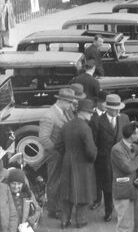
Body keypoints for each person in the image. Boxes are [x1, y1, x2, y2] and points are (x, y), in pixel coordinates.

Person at [57, 98, 97, 229]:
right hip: (83, 165)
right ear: (83, 112)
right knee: (83, 194)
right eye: (90, 112)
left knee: (67, 194)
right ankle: (81, 221)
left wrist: (67, 155)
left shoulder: (66, 126)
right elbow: (91, 151)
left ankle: (64, 220)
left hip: (67, 163)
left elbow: (58, 146)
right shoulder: (85, 128)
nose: (91, 115)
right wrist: (92, 157)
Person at [39, 87, 77, 219]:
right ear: (62, 101)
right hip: (55, 155)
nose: (71, 105)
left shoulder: (64, 112)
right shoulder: (49, 116)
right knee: (54, 181)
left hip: (63, 154)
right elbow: (43, 138)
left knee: (61, 181)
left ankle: (59, 207)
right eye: (69, 102)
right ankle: (52, 210)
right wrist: (56, 152)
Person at [92, 93, 130, 222]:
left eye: (119, 108)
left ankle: (121, 213)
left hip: (121, 160)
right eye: (114, 109)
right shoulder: (96, 121)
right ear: (107, 108)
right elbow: (94, 142)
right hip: (104, 161)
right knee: (108, 188)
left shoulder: (124, 118)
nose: (117, 111)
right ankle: (108, 211)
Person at [110, 123, 138, 232]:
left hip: (133, 189)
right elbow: (128, 167)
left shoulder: (135, 147)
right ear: (131, 135)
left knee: (134, 222)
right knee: (124, 224)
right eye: (137, 133)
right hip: (123, 190)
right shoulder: (117, 149)